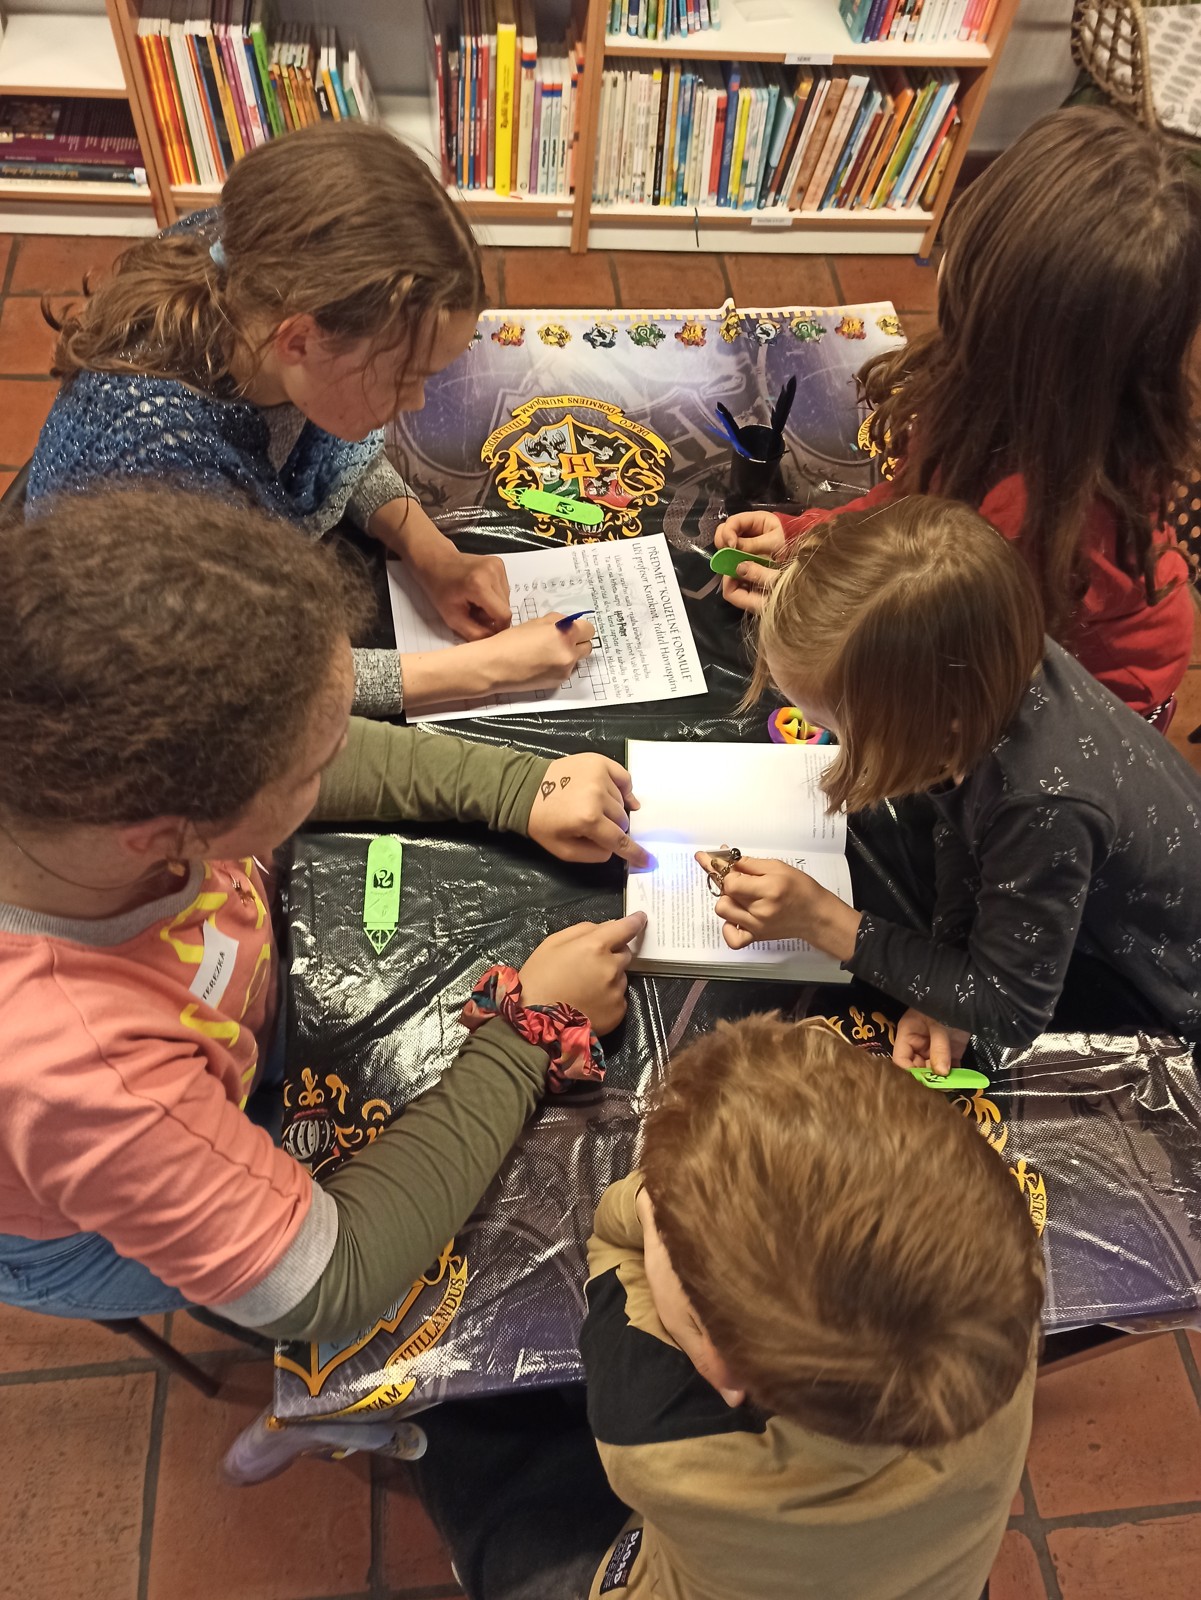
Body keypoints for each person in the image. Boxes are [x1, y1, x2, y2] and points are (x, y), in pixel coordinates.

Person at [0, 486, 647, 1339]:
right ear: (170, 836)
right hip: (81, 1225)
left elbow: (292, 732)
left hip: (217, 1022)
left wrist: (514, 786)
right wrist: (526, 1032)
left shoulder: (83, 792)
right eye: (310, 770)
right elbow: (330, 1283)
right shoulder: (88, 1076)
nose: (334, 757)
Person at [414, 1014, 1043, 1600]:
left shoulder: (657, 1440)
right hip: (926, 1571)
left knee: (478, 1468)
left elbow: (612, 1233)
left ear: (727, 1362)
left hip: (668, 1568)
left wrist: (650, 1206)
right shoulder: (1004, 1284)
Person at [27, 119, 591, 719]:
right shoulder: (158, 465)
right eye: (405, 376)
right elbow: (265, 682)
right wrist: (489, 668)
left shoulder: (261, 279)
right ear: (299, 341)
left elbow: (329, 442)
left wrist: (433, 555)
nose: (417, 403)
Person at [716, 105, 1199, 723]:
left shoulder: (1033, 524)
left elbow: (942, 674)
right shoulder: (1006, 399)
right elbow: (915, 505)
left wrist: (813, 604)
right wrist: (810, 539)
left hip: (1054, 712)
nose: (944, 260)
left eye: (967, 256)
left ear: (1010, 329)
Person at [705, 495, 1201, 1071]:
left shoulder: (1043, 806)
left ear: (929, 724)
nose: (830, 742)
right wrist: (945, 972)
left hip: (1152, 987)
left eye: (835, 728)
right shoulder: (984, 654)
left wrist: (822, 921)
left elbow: (1010, 1008)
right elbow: (963, 815)